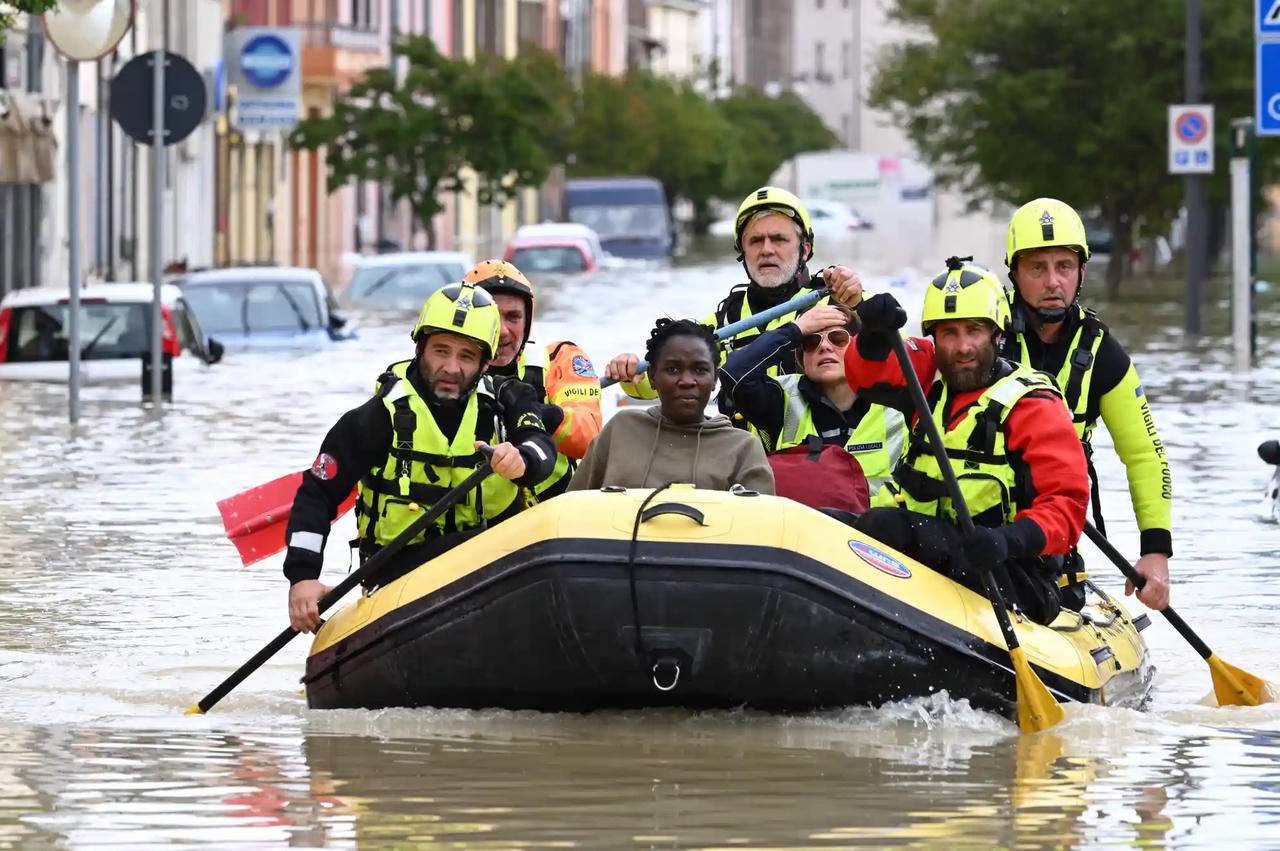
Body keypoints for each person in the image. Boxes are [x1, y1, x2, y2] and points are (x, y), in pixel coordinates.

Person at [283, 282, 558, 633]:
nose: (451, 368)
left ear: (485, 363)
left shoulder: (507, 401)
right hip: (400, 574)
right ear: (419, 348)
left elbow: (540, 443)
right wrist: (303, 577)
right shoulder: (379, 416)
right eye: (441, 351)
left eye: (466, 356)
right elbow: (317, 494)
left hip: (486, 564)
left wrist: (523, 459)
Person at [847, 259, 1090, 626]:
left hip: (1011, 570)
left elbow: (1066, 507)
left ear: (997, 335)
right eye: (949, 333)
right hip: (937, 553)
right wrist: (873, 336)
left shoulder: (1033, 405)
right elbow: (865, 374)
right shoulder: (928, 377)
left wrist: (1007, 541)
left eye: (974, 331)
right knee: (855, 525)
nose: (962, 347)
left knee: (885, 527)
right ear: (935, 338)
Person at [1000, 198, 1172, 611]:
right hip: (977, 519)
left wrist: (1156, 552)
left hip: (1050, 535)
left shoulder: (1105, 356)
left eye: (1064, 266)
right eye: (1037, 268)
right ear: (1014, 274)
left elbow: (1145, 455)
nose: (1052, 281)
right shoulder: (981, 335)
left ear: (1082, 272)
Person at [603, 187, 864, 407]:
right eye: (755, 241)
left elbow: (892, 352)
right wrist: (630, 371)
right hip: (743, 458)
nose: (767, 250)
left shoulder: (840, 302)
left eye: (779, 239)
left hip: (821, 455)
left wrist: (860, 303)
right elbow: (654, 383)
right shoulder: (725, 321)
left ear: (805, 249)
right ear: (743, 251)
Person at [719, 302, 906, 503]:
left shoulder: (897, 400)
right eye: (811, 342)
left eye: (837, 338)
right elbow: (734, 372)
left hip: (875, 530)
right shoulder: (780, 399)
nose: (825, 346)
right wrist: (796, 330)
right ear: (802, 358)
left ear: (860, 348)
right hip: (803, 530)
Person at [569, 318, 775, 494]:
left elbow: (764, 528)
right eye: (673, 369)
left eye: (700, 370)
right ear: (652, 378)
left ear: (714, 379)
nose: (687, 381)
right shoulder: (620, 430)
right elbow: (571, 509)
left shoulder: (743, 448)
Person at [462, 260, 602, 500]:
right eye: (492, 316)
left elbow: (590, 437)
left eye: (513, 317)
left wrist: (537, 414)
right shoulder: (446, 374)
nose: (503, 331)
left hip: (554, 514)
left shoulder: (560, 359)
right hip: (481, 521)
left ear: (528, 323)